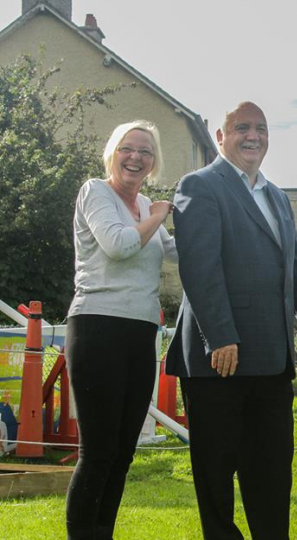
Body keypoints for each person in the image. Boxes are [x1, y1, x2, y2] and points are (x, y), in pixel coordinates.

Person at [167, 101, 297, 540]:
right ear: (221, 136)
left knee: (270, 471)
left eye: (261, 129)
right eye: (242, 127)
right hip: (217, 361)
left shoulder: (277, 197)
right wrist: (221, 335)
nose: (253, 136)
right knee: (215, 473)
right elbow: (200, 268)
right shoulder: (199, 185)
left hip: (271, 359)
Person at [65, 120, 176, 539]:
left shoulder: (147, 206)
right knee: (97, 453)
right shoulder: (96, 192)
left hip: (139, 332)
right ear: (112, 152)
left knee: (123, 454)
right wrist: (159, 214)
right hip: (97, 327)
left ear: (154, 162)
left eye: (145, 152)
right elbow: (119, 245)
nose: (136, 157)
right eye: (128, 148)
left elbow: (177, 253)